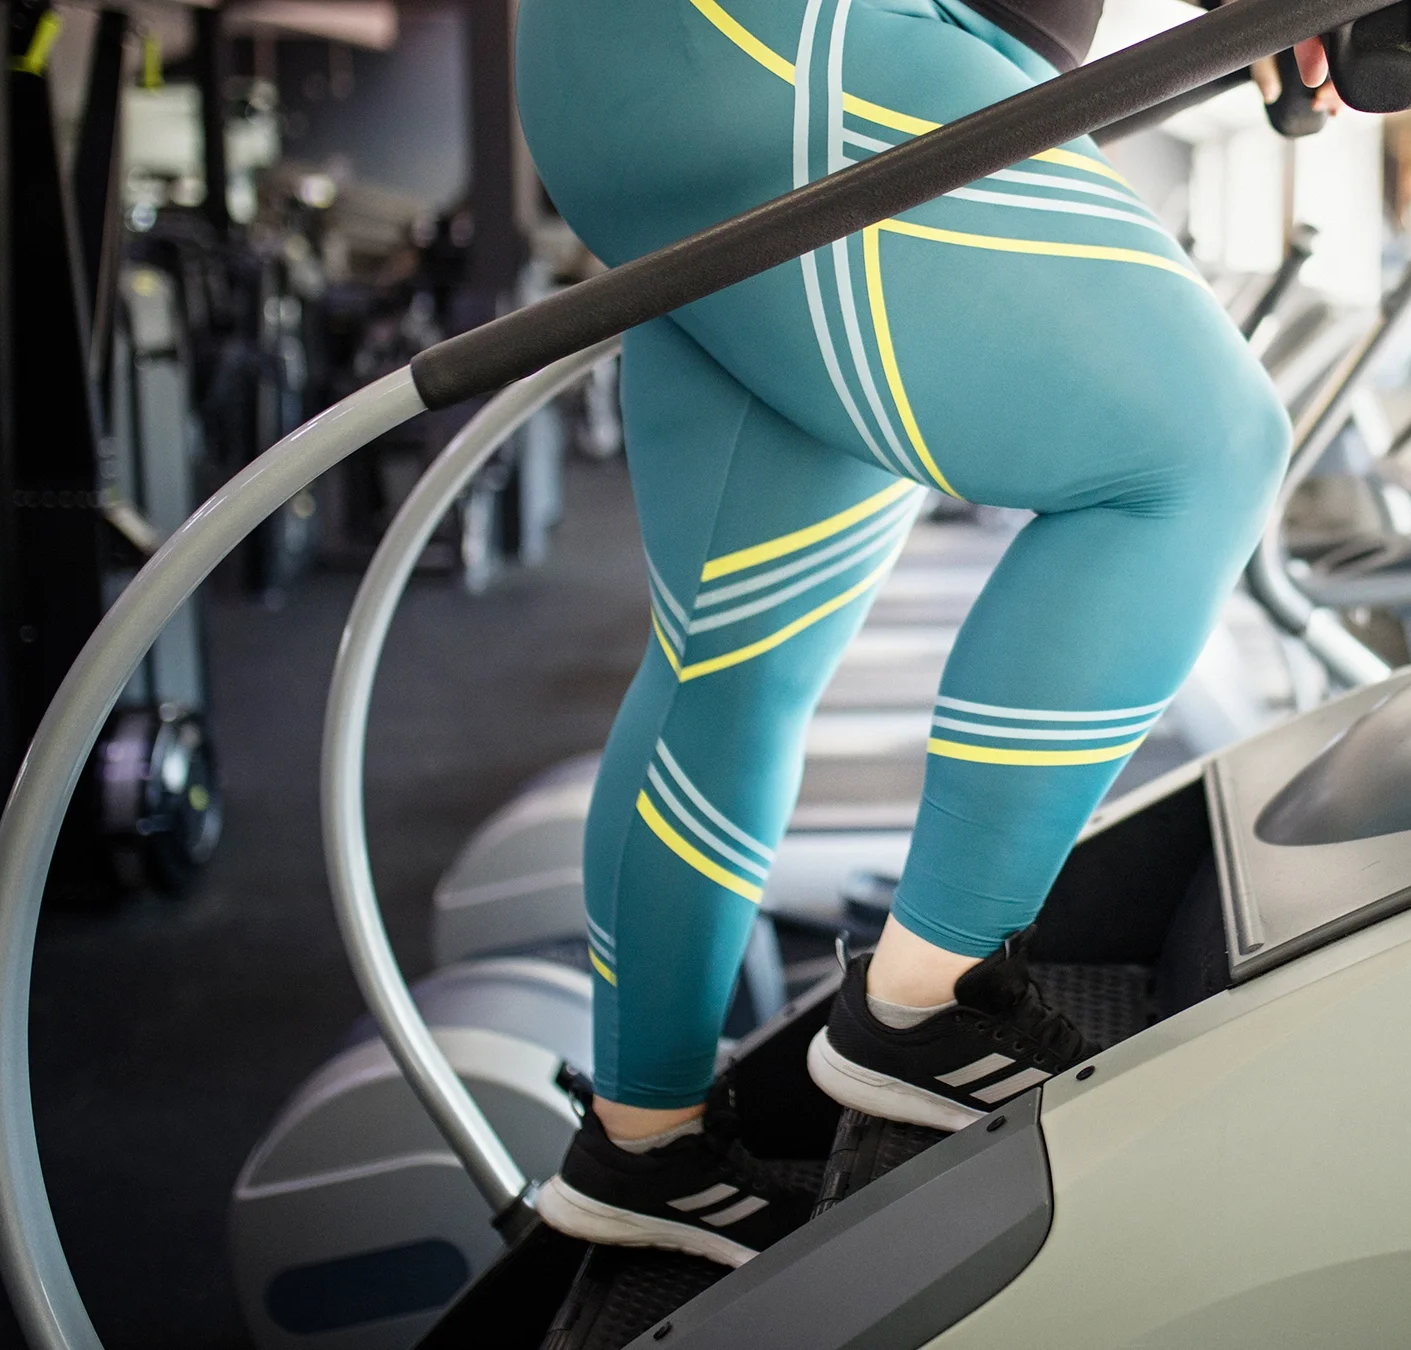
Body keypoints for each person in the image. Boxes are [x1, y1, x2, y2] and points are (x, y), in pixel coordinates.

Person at [513, 0, 1341, 1266]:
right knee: (1200, 452)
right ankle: (924, 1002)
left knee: (729, 666)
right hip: (775, 39)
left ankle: (646, 1144)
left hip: (673, 59)